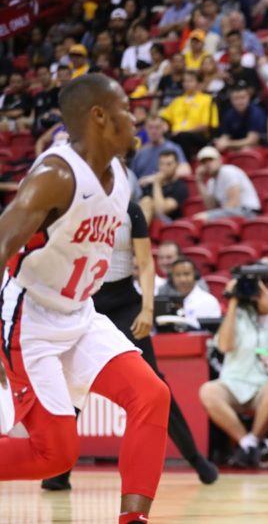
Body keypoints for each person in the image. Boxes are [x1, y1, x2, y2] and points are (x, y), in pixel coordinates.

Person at [0, 74, 171, 524]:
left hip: (79, 312)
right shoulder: (55, 176)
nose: (136, 118)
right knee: (54, 457)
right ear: (99, 116)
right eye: (127, 109)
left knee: (151, 395)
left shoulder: (122, 177)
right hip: (29, 317)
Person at [42, 202, 218, 490]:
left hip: (126, 303)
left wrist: (148, 309)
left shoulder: (130, 209)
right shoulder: (75, 206)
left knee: (155, 384)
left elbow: (146, 262)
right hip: (84, 302)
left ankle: (196, 459)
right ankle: (59, 471)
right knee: (72, 383)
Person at [199, 266, 268, 468]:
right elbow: (224, 346)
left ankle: (253, 441)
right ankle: (249, 444)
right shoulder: (238, 313)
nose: (265, 288)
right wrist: (232, 301)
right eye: (262, 284)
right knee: (208, 390)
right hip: (235, 383)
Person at [193, 146, 261, 221]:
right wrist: (200, 181)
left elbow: (234, 203)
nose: (208, 164)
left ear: (219, 160)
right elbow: (211, 208)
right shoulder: (211, 182)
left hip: (247, 211)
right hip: (233, 212)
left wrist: (214, 215)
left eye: (211, 160)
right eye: (204, 162)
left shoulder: (228, 171)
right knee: (201, 219)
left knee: (202, 218)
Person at [162, 258, 221, 328]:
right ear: (172, 278)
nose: (182, 279)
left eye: (186, 274)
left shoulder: (209, 301)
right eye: (177, 275)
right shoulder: (169, 303)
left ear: (195, 275)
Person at [138, 149, 190, 224]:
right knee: (145, 201)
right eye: (161, 164)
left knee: (147, 201)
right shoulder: (149, 186)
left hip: (169, 223)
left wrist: (157, 184)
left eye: (169, 164)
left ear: (177, 165)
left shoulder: (180, 187)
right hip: (149, 218)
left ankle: (139, 234)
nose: (164, 167)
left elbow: (161, 210)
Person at [214, 83, 266, 153]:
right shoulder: (229, 114)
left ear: (248, 97)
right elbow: (225, 136)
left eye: (242, 98)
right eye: (236, 99)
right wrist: (221, 143)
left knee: (246, 150)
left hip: (259, 145)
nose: (240, 102)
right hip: (237, 145)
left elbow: (252, 140)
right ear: (231, 100)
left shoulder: (256, 112)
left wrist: (228, 143)